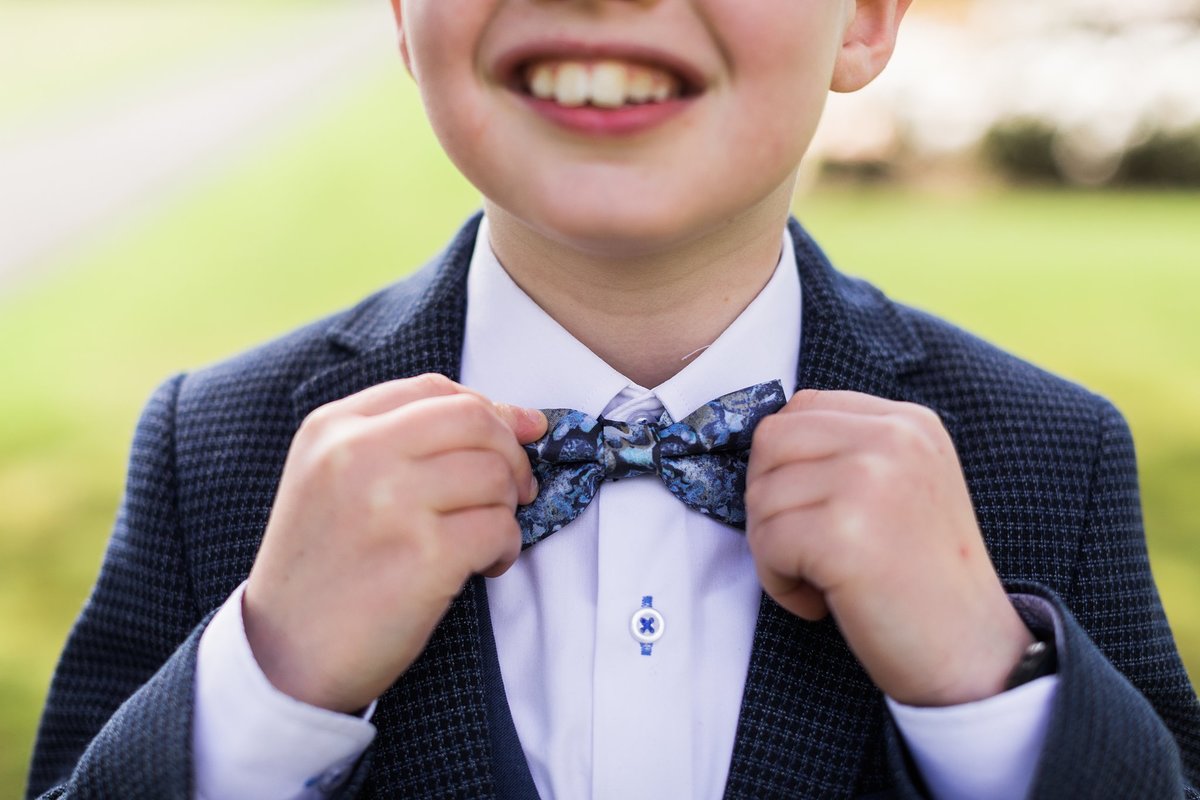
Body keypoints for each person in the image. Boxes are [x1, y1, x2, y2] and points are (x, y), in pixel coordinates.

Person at [26, 0, 1200, 798]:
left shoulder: (1054, 453)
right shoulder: (216, 449)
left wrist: (991, 698)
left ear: (872, 14)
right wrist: (263, 689)